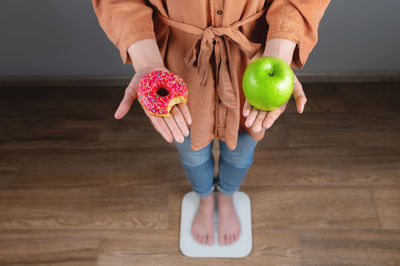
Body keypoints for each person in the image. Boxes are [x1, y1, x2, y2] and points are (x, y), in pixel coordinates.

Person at [92, 0, 330, 246]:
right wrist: (146, 61)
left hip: (251, 64)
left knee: (240, 152)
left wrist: (280, 50)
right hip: (179, 65)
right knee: (192, 153)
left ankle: (226, 198)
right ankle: (205, 199)